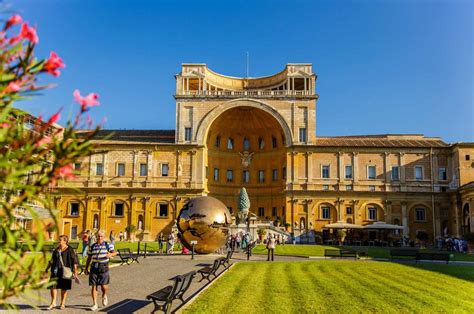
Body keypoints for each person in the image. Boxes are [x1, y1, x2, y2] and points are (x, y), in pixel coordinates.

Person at [85, 230, 117, 311]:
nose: (99, 238)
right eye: (98, 236)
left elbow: (115, 252)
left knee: (104, 286)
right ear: (96, 237)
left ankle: (104, 295)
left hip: (103, 266)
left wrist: (110, 254)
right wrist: (86, 268)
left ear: (104, 237)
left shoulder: (108, 244)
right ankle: (94, 304)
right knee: (93, 285)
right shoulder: (92, 246)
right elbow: (89, 257)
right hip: (94, 267)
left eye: (101, 236)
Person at [46, 235, 79, 310]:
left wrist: (75, 271)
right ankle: (53, 303)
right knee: (53, 286)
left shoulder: (70, 250)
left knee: (64, 287)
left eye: (60, 240)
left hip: (65, 271)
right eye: (59, 240)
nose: (59, 241)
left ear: (65, 241)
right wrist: (46, 269)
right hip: (55, 271)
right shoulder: (56, 250)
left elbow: (74, 261)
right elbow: (52, 260)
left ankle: (62, 303)